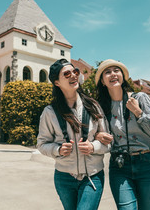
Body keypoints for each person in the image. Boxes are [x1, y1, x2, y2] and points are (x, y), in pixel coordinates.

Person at [37, 58, 112, 210]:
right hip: (63, 178)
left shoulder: (93, 106)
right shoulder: (49, 112)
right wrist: (57, 150)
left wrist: (93, 147)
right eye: (67, 74)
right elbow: (42, 144)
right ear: (57, 82)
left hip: (92, 176)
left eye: (75, 71)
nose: (73, 75)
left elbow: (108, 141)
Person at [94, 59, 150, 210]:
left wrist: (138, 113)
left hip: (147, 163)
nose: (113, 74)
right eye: (107, 72)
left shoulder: (140, 98)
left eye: (116, 70)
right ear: (102, 81)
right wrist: (98, 136)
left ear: (123, 76)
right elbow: (94, 133)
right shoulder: (101, 107)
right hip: (120, 166)